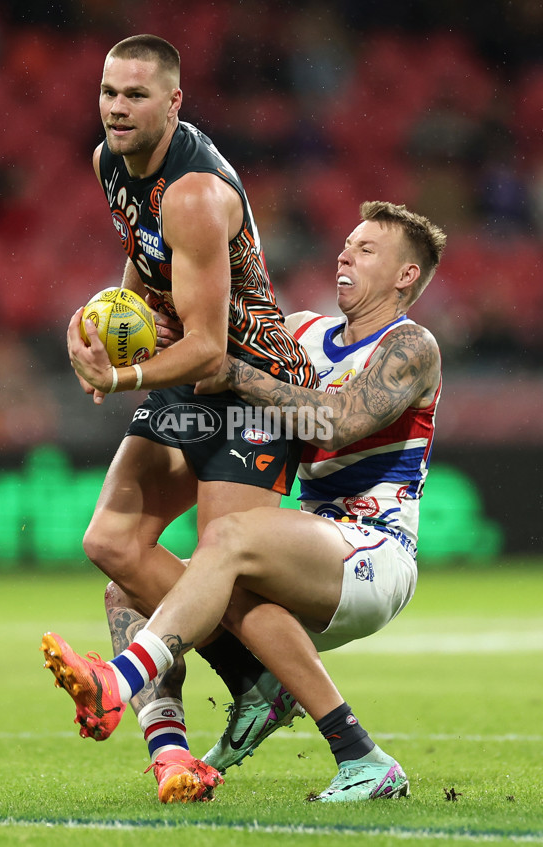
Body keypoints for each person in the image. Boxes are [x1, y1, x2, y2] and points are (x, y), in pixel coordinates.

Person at [43, 200, 447, 803]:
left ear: (404, 275)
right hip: (307, 546)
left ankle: (117, 680)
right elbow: (202, 343)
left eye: (366, 249)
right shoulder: (305, 332)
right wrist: (117, 347)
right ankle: (194, 753)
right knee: (126, 586)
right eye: (345, 242)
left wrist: (233, 372)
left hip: (375, 552)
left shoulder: (411, 347)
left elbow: (337, 421)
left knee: (229, 537)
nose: (344, 254)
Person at [64, 34, 316, 802]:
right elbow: (145, 268)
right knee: (110, 540)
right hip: (193, 384)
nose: (116, 108)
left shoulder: (195, 194)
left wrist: (126, 372)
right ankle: (253, 680)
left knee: (221, 561)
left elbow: (208, 348)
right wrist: (105, 320)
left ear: (174, 103)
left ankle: (331, 722)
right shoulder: (110, 164)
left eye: (136, 95)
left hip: (255, 389)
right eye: (109, 92)